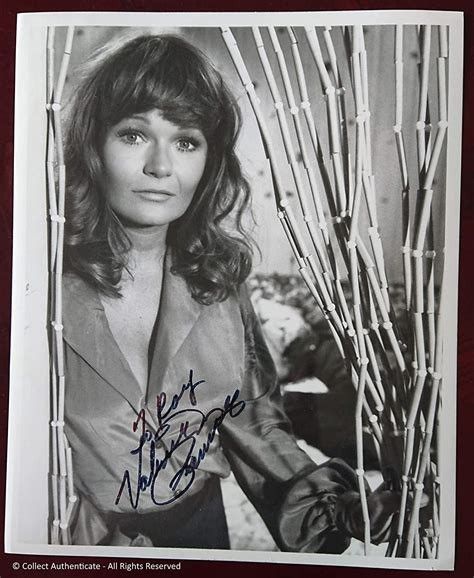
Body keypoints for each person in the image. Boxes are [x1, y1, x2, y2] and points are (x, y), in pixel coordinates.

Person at [62, 32, 399, 552]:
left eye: (186, 140)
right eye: (133, 135)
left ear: (209, 160)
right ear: (92, 145)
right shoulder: (41, 287)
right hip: (82, 545)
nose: (161, 166)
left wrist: (346, 511)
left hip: (202, 535)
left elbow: (258, 425)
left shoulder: (218, 284)